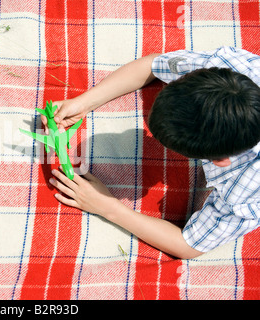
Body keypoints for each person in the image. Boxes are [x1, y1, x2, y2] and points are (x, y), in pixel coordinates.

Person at [45, 46, 260, 259]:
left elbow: (189, 245)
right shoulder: (229, 68)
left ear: (221, 161)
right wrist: (83, 103)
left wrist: (108, 207)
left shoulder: (245, 190)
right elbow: (152, 64)